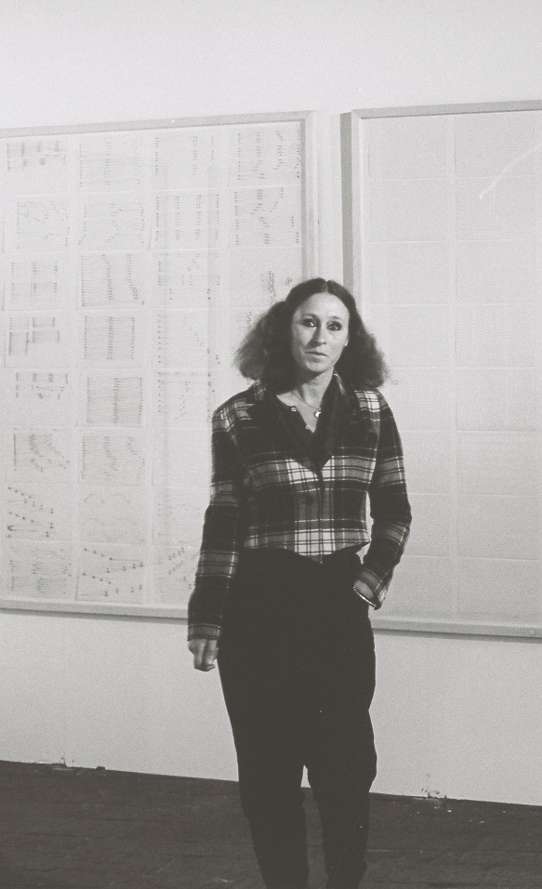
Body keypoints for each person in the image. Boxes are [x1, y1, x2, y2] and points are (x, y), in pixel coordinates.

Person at [187, 277, 411, 889]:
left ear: (349, 339)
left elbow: (395, 512)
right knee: (268, 776)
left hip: (337, 606)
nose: (319, 336)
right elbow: (223, 519)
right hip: (260, 608)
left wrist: (365, 584)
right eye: (308, 322)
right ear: (284, 331)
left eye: (334, 326)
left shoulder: (371, 411)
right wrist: (207, 617)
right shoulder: (238, 416)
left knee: (346, 769)